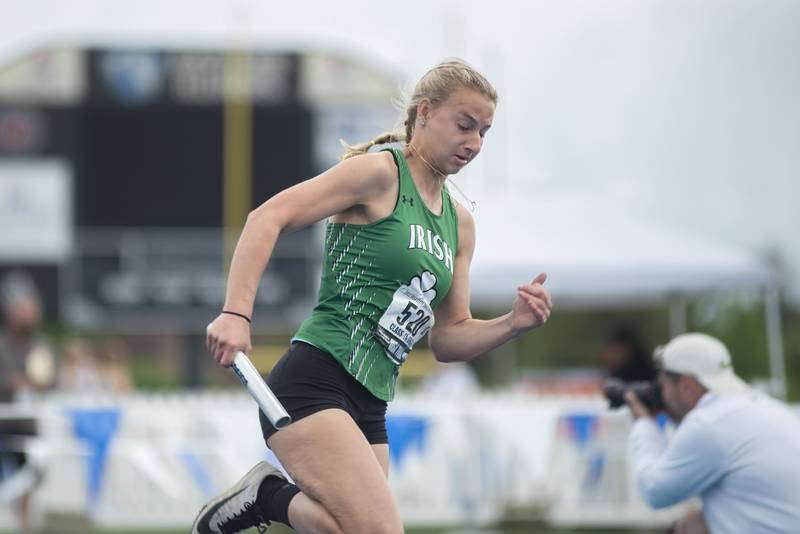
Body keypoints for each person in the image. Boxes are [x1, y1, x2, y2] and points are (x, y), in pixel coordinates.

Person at [192, 59, 553, 534]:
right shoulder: (380, 175)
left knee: (341, 530)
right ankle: (266, 497)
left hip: (372, 403)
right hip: (317, 379)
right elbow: (267, 218)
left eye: (484, 132)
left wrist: (513, 323)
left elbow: (448, 340)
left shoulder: (460, 224)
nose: (475, 143)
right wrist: (236, 313)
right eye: (465, 125)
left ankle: (267, 499)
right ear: (424, 113)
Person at [625, 333, 800, 534]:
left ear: (687, 386)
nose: (662, 395)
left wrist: (644, 423)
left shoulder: (708, 423)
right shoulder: (764, 406)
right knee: (693, 525)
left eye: (664, 385)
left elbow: (654, 491)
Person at [0, 271, 54, 533]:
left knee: (28, 479)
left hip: (27, 425)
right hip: (3, 424)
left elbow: (50, 380)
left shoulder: (39, 347)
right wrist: (14, 383)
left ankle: (22, 525)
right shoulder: (3, 346)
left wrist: (38, 382)